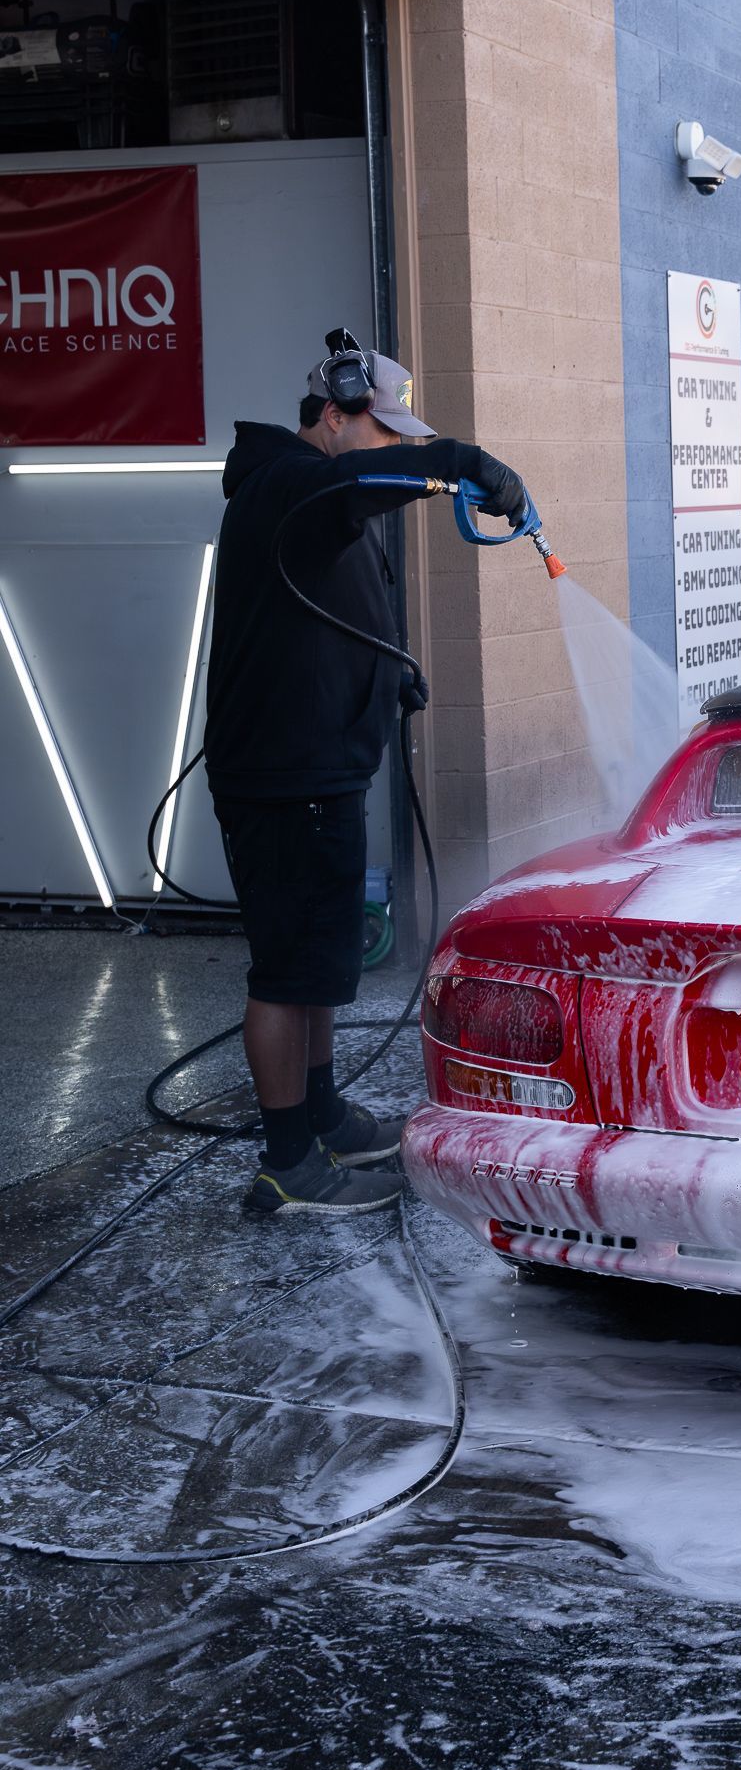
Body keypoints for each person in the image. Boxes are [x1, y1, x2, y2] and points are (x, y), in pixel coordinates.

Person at [204, 332, 527, 1216]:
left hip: (318, 765)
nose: (391, 451)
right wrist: (462, 463)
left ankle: (321, 1118)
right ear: (333, 417)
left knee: (317, 963)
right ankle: (286, 1165)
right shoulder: (289, 485)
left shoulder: (317, 497)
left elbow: (322, 612)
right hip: (282, 774)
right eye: (380, 432)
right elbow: (360, 486)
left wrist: (391, 667)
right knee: (285, 970)